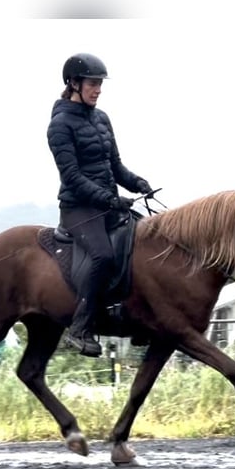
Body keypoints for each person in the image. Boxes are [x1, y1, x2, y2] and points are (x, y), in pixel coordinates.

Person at [47, 52, 153, 357]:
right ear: (74, 83)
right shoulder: (59, 126)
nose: (98, 89)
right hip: (78, 209)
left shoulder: (101, 118)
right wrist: (111, 199)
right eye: (93, 83)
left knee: (145, 242)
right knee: (103, 256)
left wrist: (137, 183)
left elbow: (115, 166)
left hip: (108, 204)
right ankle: (80, 329)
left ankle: (139, 322)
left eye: (99, 84)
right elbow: (73, 177)